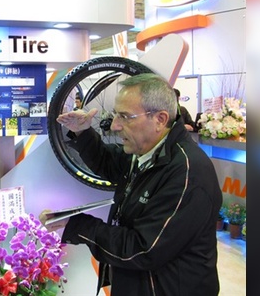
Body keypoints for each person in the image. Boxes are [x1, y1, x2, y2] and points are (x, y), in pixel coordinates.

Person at [41, 74, 222, 296]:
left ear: (160, 119)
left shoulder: (187, 174)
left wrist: (77, 225)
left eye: (126, 117)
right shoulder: (148, 153)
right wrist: (83, 131)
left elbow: (143, 249)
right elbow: (109, 163)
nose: (115, 125)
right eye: (116, 114)